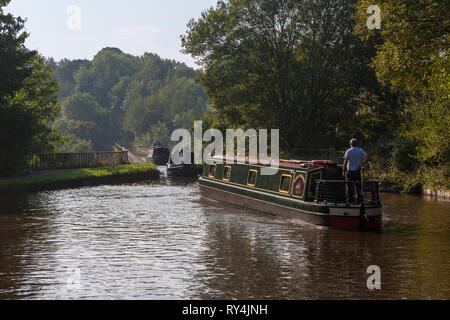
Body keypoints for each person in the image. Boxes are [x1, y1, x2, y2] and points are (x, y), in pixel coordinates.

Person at [343, 139, 368, 204]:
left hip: (350, 171)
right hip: (357, 171)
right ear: (356, 144)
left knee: (349, 186)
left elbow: (345, 161)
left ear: (350, 144)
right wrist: (363, 164)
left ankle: (349, 200)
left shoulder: (348, 151)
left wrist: (343, 170)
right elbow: (366, 157)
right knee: (358, 186)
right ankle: (358, 200)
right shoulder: (360, 150)